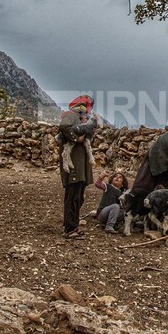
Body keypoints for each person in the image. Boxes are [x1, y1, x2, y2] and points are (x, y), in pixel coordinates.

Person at [58, 95, 97, 239]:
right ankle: (69, 228)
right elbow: (63, 126)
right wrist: (76, 138)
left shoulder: (81, 120)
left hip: (80, 165)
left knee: (78, 197)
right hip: (74, 164)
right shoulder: (72, 115)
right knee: (73, 196)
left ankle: (73, 225)